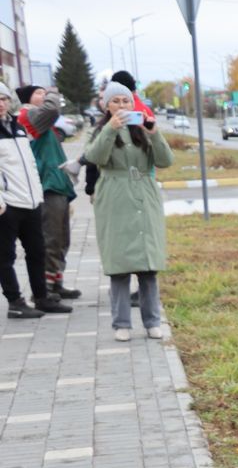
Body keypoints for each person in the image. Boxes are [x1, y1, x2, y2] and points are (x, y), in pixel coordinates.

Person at [83, 82, 172, 339]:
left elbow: (166, 161)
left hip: (145, 194)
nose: (121, 106)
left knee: (148, 265)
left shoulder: (142, 129)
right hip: (115, 196)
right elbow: (96, 156)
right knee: (119, 265)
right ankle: (121, 324)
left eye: (126, 101)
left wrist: (154, 133)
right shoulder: (102, 129)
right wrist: (111, 129)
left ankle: (152, 321)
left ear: (133, 104)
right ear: (107, 106)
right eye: (116, 102)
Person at [0, 89, 70, 320]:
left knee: (37, 251)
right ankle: (15, 301)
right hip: (7, 204)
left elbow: (29, 165)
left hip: (30, 201)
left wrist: (37, 194)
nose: (1, 104)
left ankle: (41, 297)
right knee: (5, 256)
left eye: (3, 99)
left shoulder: (17, 128)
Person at [16, 86, 80, 301]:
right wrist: (54, 93)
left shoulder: (39, 118)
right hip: (47, 185)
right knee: (51, 237)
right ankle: (45, 288)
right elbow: (52, 110)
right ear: (27, 99)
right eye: (39, 93)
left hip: (57, 184)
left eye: (45, 93)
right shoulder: (28, 115)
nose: (44, 96)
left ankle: (56, 281)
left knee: (61, 238)